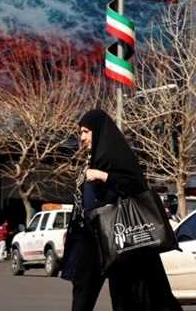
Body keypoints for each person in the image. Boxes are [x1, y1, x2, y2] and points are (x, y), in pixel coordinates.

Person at [61, 109, 182, 311]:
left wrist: (104, 176)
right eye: (80, 132)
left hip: (120, 239)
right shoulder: (91, 161)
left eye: (86, 132)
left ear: (99, 131)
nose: (81, 137)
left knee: (132, 295)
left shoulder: (115, 158)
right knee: (82, 293)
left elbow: (136, 188)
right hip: (90, 239)